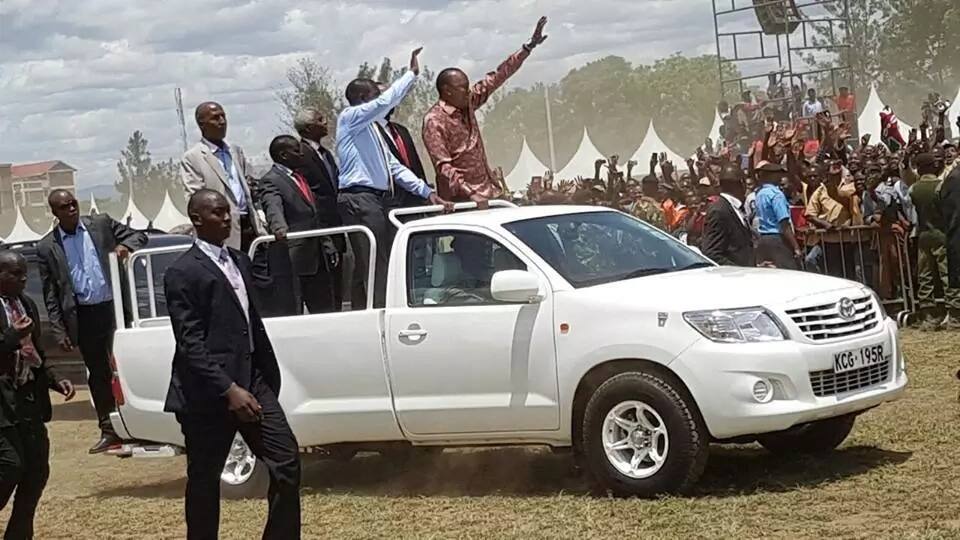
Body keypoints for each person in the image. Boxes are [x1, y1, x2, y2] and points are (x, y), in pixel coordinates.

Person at [164, 190, 301, 539]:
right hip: (208, 392)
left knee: (285, 461)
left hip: (253, 379)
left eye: (229, 212)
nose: (227, 218)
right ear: (197, 219)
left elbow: (251, 319)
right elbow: (190, 342)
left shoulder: (239, 261)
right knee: (205, 480)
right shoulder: (183, 272)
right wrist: (227, 389)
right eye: (218, 213)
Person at [336, 47, 452, 308]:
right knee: (374, 261)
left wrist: (425, 191)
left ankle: (388, 308)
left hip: (374, 200)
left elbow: (394, 167)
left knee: (387, 259)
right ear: (362, 98)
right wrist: (411, 75)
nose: (385, 100)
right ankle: (378, 313)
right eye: (376, 95)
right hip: (358, 198)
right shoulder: (350, 118)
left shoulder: (372, 130)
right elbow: (383, 103)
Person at [36, 190, 146, 454]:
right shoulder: (47, 246)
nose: (71, 209)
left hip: (115, 310)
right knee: (99, 375)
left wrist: (125, 247)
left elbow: (138, 235)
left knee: (127, 367)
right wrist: (59, 329)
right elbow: (50, 293)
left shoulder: (101, 224)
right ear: (55, 213)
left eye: (73, 203)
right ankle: (109, 430)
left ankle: (140, 423)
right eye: (64, 207)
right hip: (83, 317)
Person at [423, 16, 548, 205]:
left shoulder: (469, 103)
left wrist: (528, 47)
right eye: (462, 88)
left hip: (489, 191)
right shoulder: (434, 121)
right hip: (462, 200)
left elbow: (497, 76)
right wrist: (470, 194)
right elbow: (444, 167)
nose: (468, 91)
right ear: (447, 91)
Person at [0, 250, 75, 539]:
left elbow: (37, 355)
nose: (22, 279)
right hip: (2, 404)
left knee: (36, 472)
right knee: (9, 466)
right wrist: (10, 337)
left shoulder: (26, 304)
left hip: (28, 398)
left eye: (24, 273)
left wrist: (56, 380)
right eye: (14, 274)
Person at [260, 135, 340, 314]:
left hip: (318, 257)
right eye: (296, 150)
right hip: (294, 258)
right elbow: (273, 207)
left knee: (326, 310)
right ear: (283, 155)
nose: (302, 154)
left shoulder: (301, 177)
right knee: (294, 312)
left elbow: (314, 215)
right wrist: (279, 228)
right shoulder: (271, 180)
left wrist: (327, 244)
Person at [180, 101, 264, 251]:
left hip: (250, 227)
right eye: (215, 118)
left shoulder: (235, 151)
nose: (222, 122)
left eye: (223, 116)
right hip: (223, 233)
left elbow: (249, 184)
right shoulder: (193, 157)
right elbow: (195, 199)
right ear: (202, 124)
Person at [294, 108, 346, 311]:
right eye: (320, 119)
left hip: (336, 225)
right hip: (318, 229)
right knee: (324, 288)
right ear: (308, 128)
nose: (326, 122)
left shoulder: (325, 153)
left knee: (337, 283)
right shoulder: (301, 154)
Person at [909, 153, 960, 329]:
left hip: (923, 234)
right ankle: (954, 314)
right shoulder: (941, 186)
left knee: (925, 276)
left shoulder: (914, 188)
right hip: (941, 233)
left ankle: (929, 316)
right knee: (947, 273)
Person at [702, 167, 755, 266]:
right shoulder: (719, 211)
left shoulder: (736, 207)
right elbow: (711, 253)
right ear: (741, 183)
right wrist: (738, 270)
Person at [754, 162, 803, 269]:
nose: (781, 177)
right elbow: (784, 223)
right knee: (788, 272)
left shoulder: (760, 193)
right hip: (778, 239)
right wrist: (796, 247)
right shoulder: (776, 195)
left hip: (763, 238)